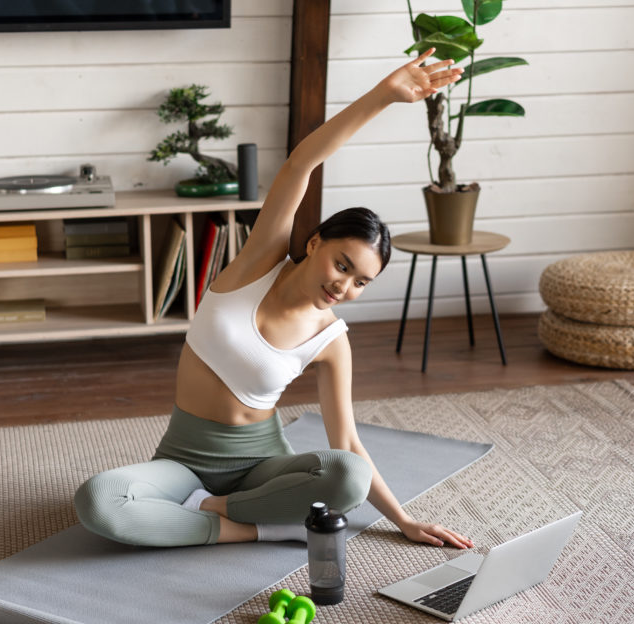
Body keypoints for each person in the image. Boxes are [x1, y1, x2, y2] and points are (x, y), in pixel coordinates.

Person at [75, 49, 473, 550]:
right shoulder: (258, 262)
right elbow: (302, 162)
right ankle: (253, 529)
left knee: (346, 476)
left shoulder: (331, 339)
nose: (344, 286)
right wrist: (383, 96)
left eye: (361, 282)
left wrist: (405, 521)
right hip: (181, 462)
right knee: (99, 500)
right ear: (314, 244)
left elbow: (346, 444)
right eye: (342, 265)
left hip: (263, 467)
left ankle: (215, 514)